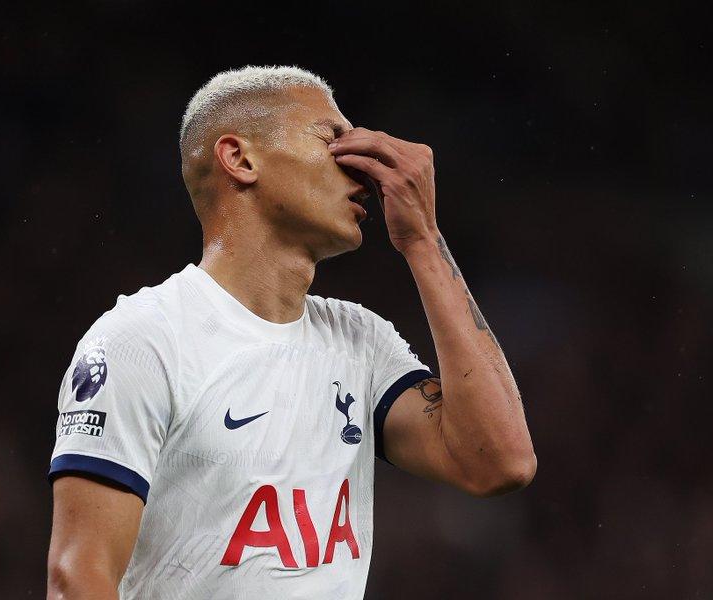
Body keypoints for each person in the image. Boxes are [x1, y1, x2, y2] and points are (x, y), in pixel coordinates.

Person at [46, 64, 536, 599]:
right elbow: (78, 578)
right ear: (241, 159)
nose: (363, 172)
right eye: (332, 139)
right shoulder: (142, 341)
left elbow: (500, 462)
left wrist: (424, 239)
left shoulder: (361, 343)